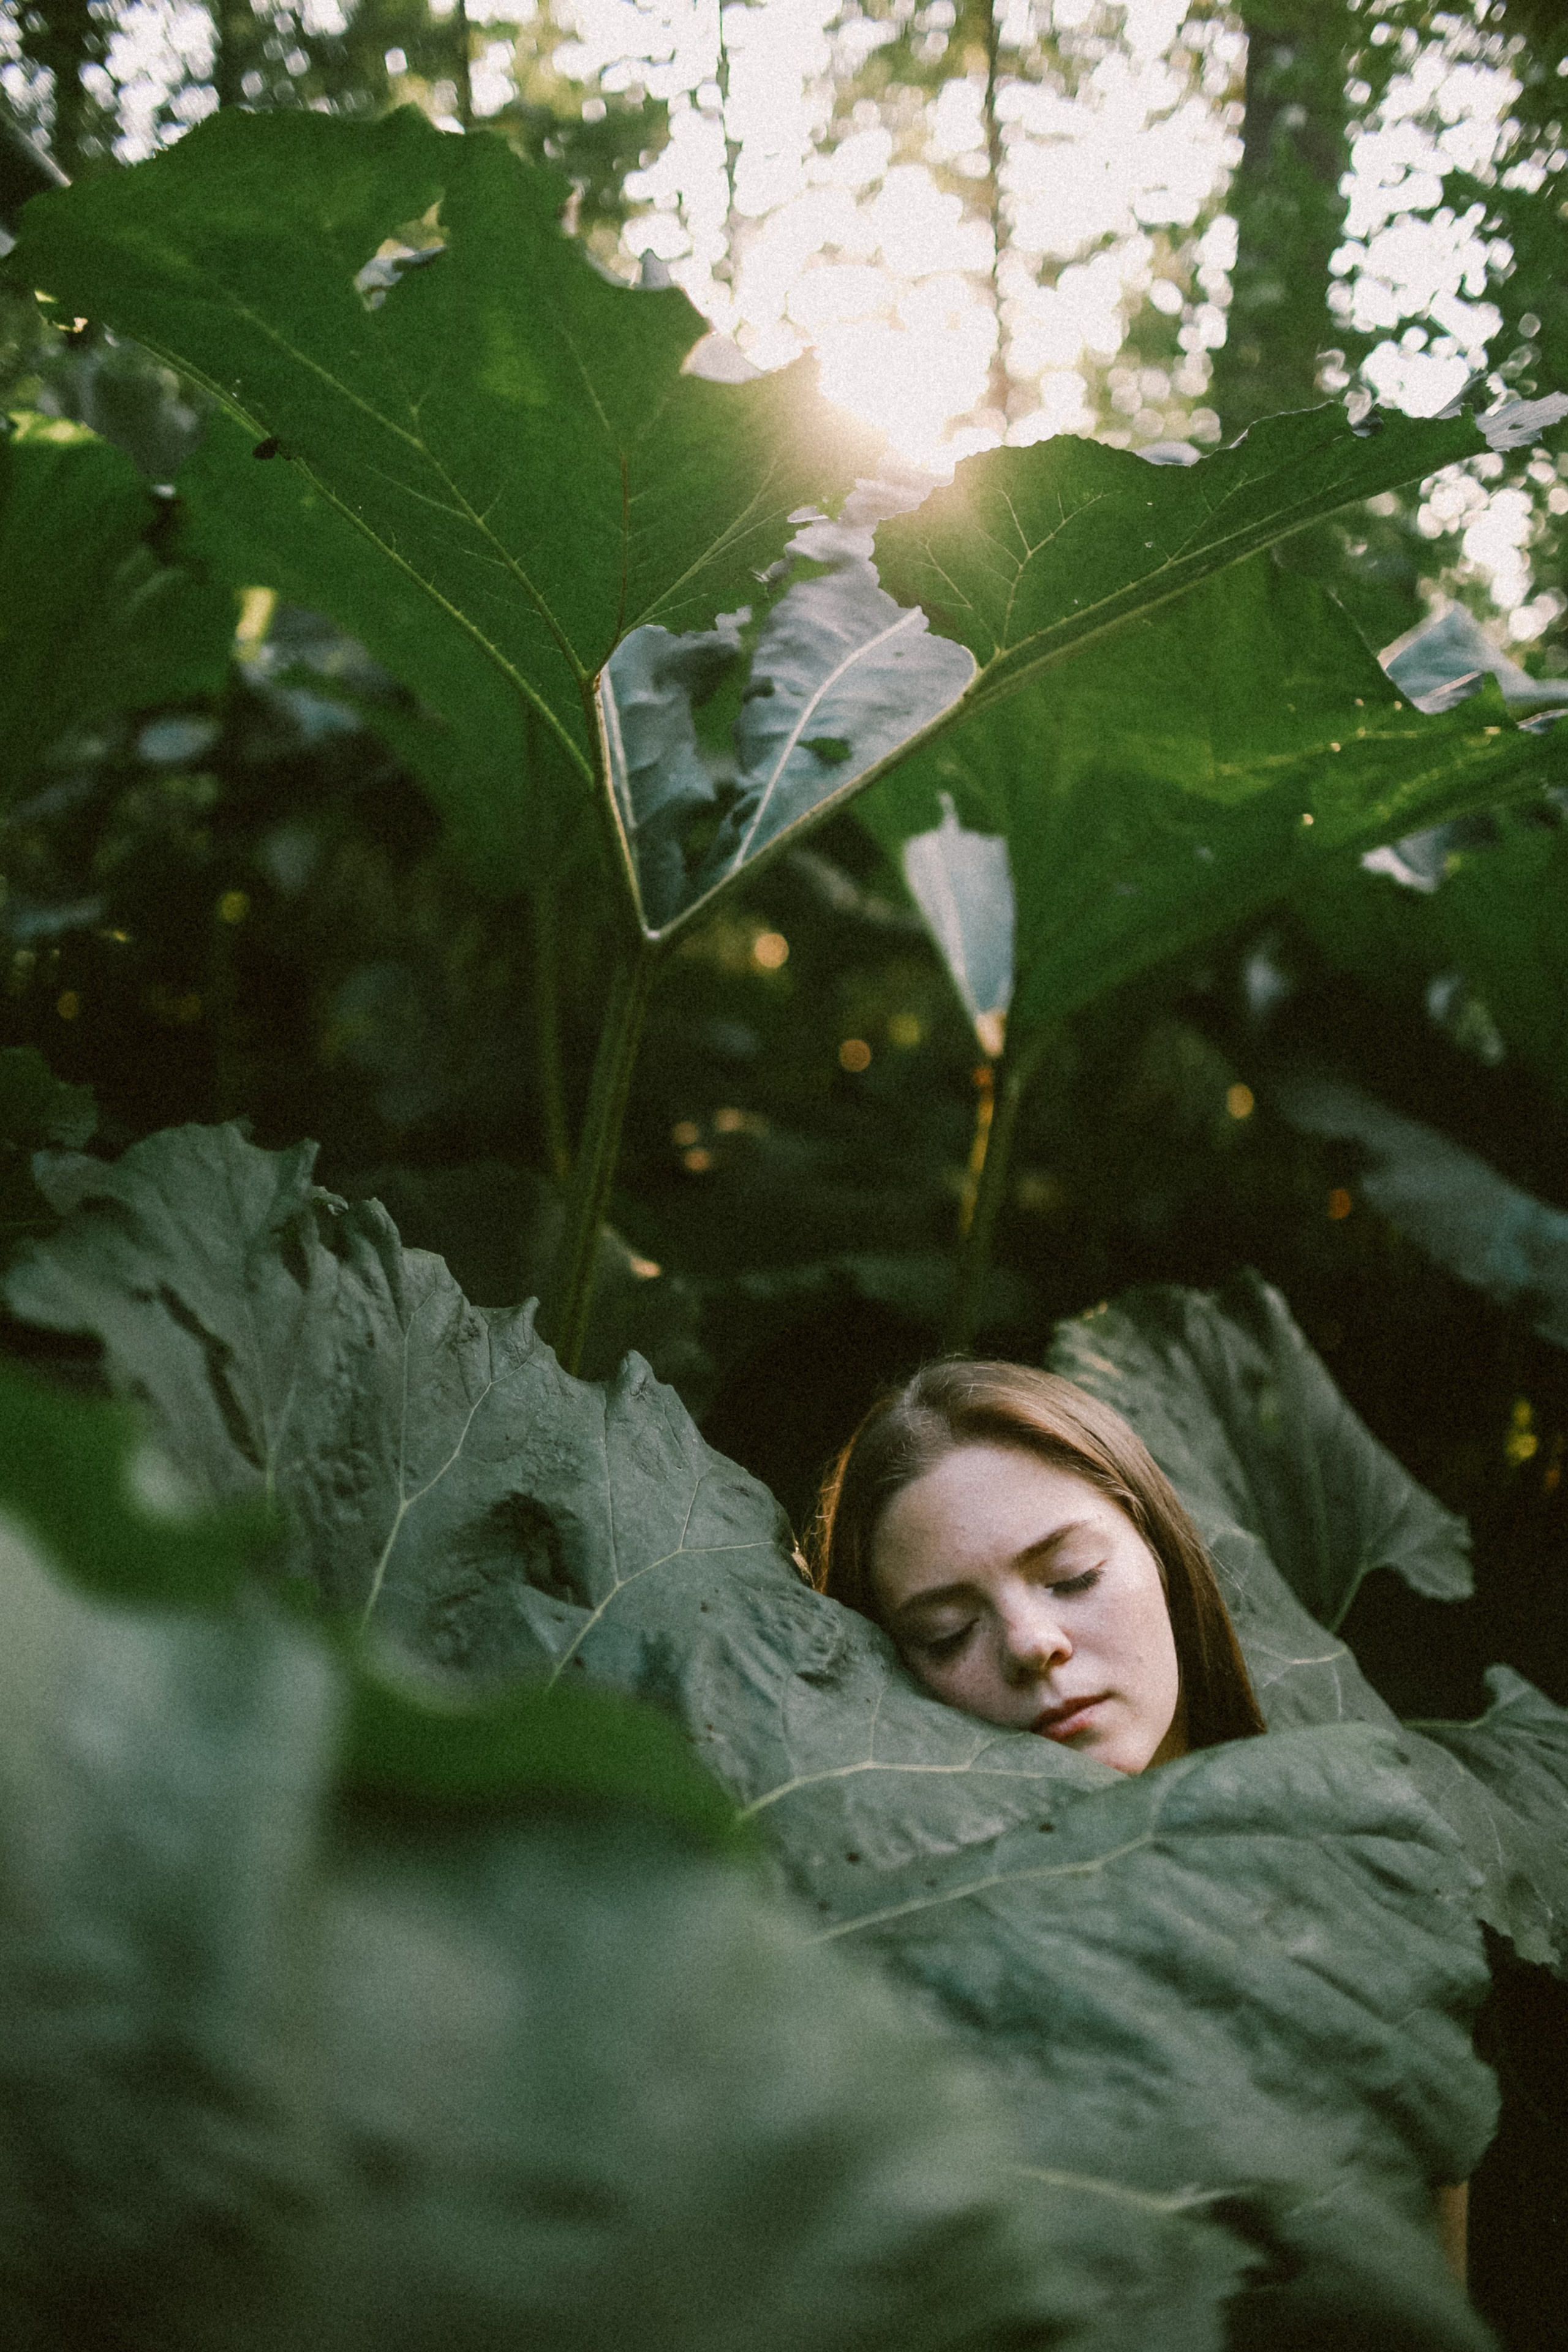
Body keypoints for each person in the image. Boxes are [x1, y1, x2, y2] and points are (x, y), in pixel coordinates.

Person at [807, 1354, 1471, 2279]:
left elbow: (1430, 2302)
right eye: (947, 1634)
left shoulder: (1368, 1882)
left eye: (1071, 1576)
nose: (1035, 1645)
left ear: (1160, 1549)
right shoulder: (892, 2001)